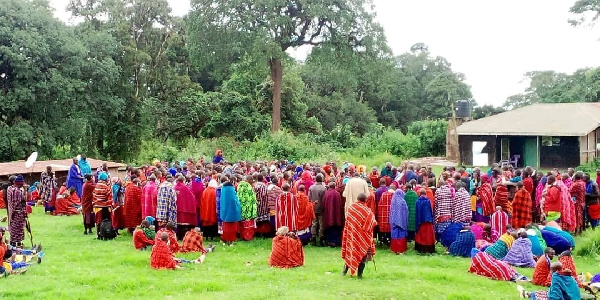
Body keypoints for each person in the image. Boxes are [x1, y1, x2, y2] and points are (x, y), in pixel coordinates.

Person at [341, 193, 377, 278]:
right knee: (363, 256)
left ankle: (344, 272)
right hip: (363, 238)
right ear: (365, 200)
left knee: (351, 252)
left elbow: (347, 223)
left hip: (352, 236)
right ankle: (359, 275)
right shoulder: (368, 211)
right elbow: (372, 223)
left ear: (357, 199)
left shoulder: (351, 209)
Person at [174, 176, 197, 240]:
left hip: (176, 209)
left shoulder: (174, 187)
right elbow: (191, 198)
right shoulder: (185, 188)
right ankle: (183, 236)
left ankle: (178, 236)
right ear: (183, 180)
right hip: (184, 209)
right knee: (184, 224)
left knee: (178, 224)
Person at [220, 177, 241, 244]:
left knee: (225, 227)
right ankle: (231, 240)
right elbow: (235, 201)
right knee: (232, 228)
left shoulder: (223, 190)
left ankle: (225, 239)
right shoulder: (232, 191)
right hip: (232, 212)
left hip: (224, 212)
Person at [7, 175, 27, 247]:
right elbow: (23, 200)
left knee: (13, 228)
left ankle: (13, 244)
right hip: (18, 213)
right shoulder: (18, 191)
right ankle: (18, 244)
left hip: (12, 212)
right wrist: (25, 190)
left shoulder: (10, 189)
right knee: (18, 229)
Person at [322, 182, 344, 247]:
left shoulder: (326, 193)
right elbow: (340, 204)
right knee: (335, 227)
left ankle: (329, 241)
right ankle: (336, 241)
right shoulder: (337, 194)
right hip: (336, 214)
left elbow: (323, 203)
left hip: (328, 214)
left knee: (329, 227)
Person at [308, 174, 327, 246]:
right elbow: (325, 199)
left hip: (313, 207)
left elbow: (309, 198)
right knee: (321, 223)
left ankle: (313, 238)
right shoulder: (323, 188)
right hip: (321, 207)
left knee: (314, 223)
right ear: (321, 179)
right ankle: (321, 239)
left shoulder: (311, 187)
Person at [415, 189, 435, 254]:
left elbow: (417, 212)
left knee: (421, 236)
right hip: (428, 220)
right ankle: (429, 249)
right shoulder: (428, 201)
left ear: (420, 194)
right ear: (425, 194)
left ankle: (420, 249)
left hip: (420, 221)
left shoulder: (417, 201)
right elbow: (430, 211)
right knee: (428, 236)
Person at [390, 189, 408, 254]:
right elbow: (406, 211)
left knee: (395, 234)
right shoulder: (403, 202)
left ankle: (395, 249)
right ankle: (401, 249)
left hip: (394, 221)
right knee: (401, 234)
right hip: (402, 221)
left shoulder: (393, 202)